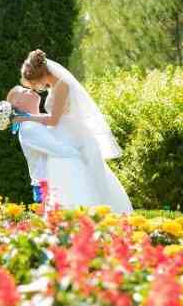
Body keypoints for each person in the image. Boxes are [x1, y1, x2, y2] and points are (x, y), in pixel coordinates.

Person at [13, 49, 133, 214]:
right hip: (63, 135)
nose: (35, 88)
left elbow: (54, 119)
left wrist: (28, 118)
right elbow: (54, 117)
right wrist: (31, 117)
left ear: (39, 75)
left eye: (33, 83)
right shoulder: (54, 87)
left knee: (86, 181)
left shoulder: (62, 86)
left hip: (74, 137)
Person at [7, 85, 84, 204]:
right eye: (25, 90)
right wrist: (84, 155)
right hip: (48, 189)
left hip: (57, 184)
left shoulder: (36, 122)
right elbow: (59, 150)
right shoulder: (29, 127)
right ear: (18, 102)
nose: (31, 89)